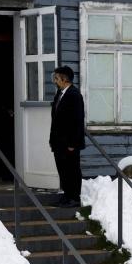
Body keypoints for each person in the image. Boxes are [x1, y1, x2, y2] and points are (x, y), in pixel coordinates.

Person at [49, 65, 85, 208]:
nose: (55, 81)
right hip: (59, 142)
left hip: (70, 143)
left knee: (72, 170)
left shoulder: (74, 95)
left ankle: (74, 198)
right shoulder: (60, 94)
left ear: (64, 79)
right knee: (63, 169)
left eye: (56, 78)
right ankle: (66, 195)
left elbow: (78, 120)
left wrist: (73, 143)